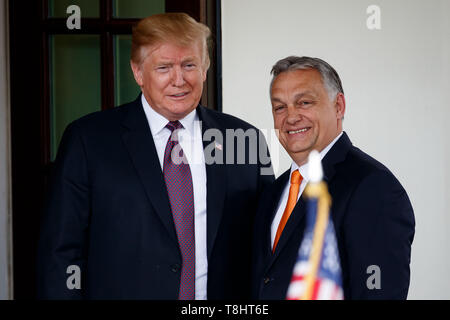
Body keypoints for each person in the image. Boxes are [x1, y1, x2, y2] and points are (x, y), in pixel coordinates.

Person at [37, 13, 274, 300]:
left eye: (189, 65)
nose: (179, 80)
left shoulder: (243, 139)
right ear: (138, 72)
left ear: (206, 67)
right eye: (164, 67)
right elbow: (60, 253)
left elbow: (267, 247)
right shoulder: (88, 141)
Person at [252, 56, 415, 299]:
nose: (291, 117)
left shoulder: (373, 187)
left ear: (339, 106)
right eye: (280, 107)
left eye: (304, 102)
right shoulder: (272, 192)